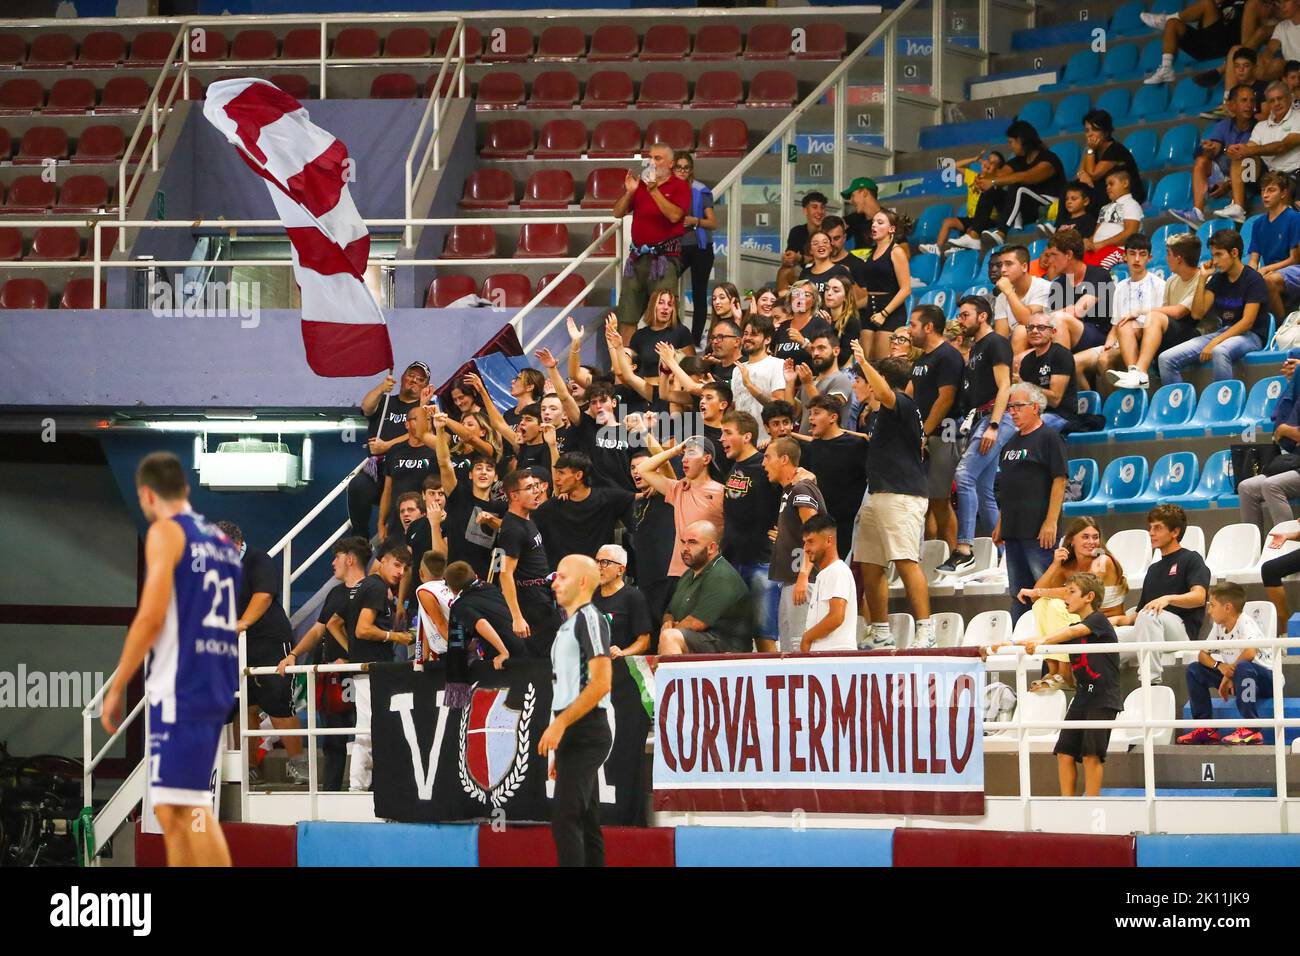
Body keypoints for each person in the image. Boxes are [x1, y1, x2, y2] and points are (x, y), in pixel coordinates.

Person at [101, 452, 242, 866]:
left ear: (146, 495)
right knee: (175, 809)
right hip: (212, 682)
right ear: (186, 490)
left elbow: (149, 617)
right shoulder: (222, 545)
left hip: (181, 687)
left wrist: (117, 686)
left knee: (186, 810)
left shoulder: (167, 532)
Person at [997, 573, 1121, 797]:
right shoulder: (1074, 625)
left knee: (1092, 755)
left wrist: (1041, 641)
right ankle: (1067, 805)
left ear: (1089, 597)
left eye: (1071, 592)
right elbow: (1055, 635)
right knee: (1065, 752)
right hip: (1083, 696)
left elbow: (1072, 632)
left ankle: (1092, 804)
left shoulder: (1097, 621)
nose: (1066, 596)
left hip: (1103, 696)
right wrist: (1008, 644)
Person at [850, 347, 934, 649]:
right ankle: (881, 630)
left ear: (878, 380)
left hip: (902, 494)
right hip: (879, 494)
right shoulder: (876, 415)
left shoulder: (902, 403)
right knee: (870, 564)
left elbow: (886, 393)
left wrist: (862, 360)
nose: (855, 384)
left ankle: (927, 629)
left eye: (859, 379)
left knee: (906, 561)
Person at [214, 521, 305, 783]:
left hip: (269, 640)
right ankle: (249, 766)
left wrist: (242, 623)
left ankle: (298, 765)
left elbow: (263, 596)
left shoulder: (258, 559)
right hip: (236, 645)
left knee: (279, 704)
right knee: (245, 705)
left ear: (236, 544)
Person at [539, 554, 614, 868]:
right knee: (584, 818)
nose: (554, 582)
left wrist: (560, 726)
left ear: (584, 582)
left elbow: (601, 683)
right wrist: (561, 736)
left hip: (588, 728)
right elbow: (566, 687)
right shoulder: (568, 625)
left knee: (565, 817)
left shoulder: (590, 618)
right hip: (573, 731)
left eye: (563, 576)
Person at [279, 536, 369, 792]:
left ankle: (368, 792)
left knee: (368, 735)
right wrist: (294, 654)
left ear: (349, 559)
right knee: (332, 740)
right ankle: (330, 792)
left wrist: (351, 659)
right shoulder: (335, 592)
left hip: (360, 677)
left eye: (336, 557)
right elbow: (318, 631)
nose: (332, 563)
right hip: (330, 675)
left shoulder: (372, 589)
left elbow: (372, 634)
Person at [937, 295, 1014, 575]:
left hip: (995, 417)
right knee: (983, 490)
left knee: (964, 476)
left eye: (966, 315)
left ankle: (964, 549)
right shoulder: (976, 347)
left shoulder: (996, 342)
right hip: (979, 418)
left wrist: (993, 425)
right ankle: (1007, 553)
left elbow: (1005, 386)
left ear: (983, 316)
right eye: (960, 315)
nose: (961, 320)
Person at [1017, 516, 1130, 693]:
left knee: (1056, 605)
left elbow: (1079, 593)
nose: (1092, 542)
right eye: (1085, 537)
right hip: (1082, 620)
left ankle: (1065, 672)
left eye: (1095, 537)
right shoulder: (1068, 565)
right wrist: (1055, 565)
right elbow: (1035, 598)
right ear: (1071, 540)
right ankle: (1053, 669)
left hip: (1103, 623)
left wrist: (1036, 592)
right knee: (1040, 605)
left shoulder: (1102, 561)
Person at [993, 383, 1068, 627]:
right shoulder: (1010, 444)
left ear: (1035, 408)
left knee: (1046, 592)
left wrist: (1051, 521)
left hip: (1038, 532)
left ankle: (1054, 645)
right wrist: (1001, 522)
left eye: (1018, 406)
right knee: (1019, 594)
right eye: (1009, 407)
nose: (1012, 412)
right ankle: (1021, 642)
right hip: (1013, 532)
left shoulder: (1048, 438)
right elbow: (1007, 487)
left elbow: (1059, 479)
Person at [1113, 505, 1212, 684]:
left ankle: (1151, 682)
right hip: (1150, 628)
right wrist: (1112, 622)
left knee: (1149, 615)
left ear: (1175, 531)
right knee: (1108, 637)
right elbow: (1137, 614)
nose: (1151, 532)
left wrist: (1168, 599)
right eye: (1150, 528)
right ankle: (1095, 685)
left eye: (1157, 527)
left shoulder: (1191, 559)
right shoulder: (1153, 569)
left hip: (1181, 631)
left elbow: (1199, 598)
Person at [344, 539, 413, 792]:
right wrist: (396, 636)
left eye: (404, 569)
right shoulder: (375, 588)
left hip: (369, 668)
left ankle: (365, 785)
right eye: (396, 565)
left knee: (372, 726)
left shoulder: (371, 586)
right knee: (368, 727)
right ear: (381, 561)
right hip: (368, 669)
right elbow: (363, 629)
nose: (400, 572)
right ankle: (358, 788)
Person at [1158, 228, 1268, 383]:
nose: (1215, 261)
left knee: (1219, 351)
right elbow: (1197, 313)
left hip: (1251, 335)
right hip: (1225, 332)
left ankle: (1223, 404)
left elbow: (1247, 322)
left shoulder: (1253, 279)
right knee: (1166, 359)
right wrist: (1203, 278)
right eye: (1212, 255)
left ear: (1234, 253)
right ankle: (1180, 405)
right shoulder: (1218, 279)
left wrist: (1215, 342)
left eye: (1219, 254)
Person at [719, 410, 782, 653]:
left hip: (761, 561)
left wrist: (788, 534)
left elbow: (796, 487)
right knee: (735, 635)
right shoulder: (732, 464)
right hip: (732, 561)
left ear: (747, 437)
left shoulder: (765, 464)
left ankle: (777, 687)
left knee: (764, 636)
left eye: (727, 433)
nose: (722, 438)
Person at [1180, 582, 1275, 744]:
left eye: (1213, 605)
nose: (1209, 611)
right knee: (1195, 670)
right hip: (1238, 678)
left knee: (1243, 667)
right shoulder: (1219, 627)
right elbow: (1202, 655)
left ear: (1228, 608)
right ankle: (1206, 729)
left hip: (1266, 681)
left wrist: (1229, 675)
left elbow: (1250, 653)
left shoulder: (1244, 622)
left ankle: (1252, 729)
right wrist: (1220, 667)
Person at [1106, 233, 1204, 389]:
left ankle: (1141, 372)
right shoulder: (1172, 280)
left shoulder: (1202, 279)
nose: (1166, 258)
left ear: (1178, 258)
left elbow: (1179, 312)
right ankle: (1134, 373)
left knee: (1154, 316)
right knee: (1124, 324)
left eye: (1169, 254)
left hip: (1194, 334)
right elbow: (1166, 313)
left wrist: (1141, 311)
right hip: (1172, 332)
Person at [613, 141, 689, 339]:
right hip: (637, 258)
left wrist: (654, 191)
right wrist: (630, 192)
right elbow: (617, 212)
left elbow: (674, 216)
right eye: (650, 157)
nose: (652, 162)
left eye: (658, 158)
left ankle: (661, 364)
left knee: (663, 315)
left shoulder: (680, 187)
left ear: (671, 163)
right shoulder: (640, 186)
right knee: (627, 315)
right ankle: (625, 364)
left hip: (665, 259)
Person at [764, 436, 829, 651]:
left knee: (798, 647)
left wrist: (803, 576)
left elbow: (815, 534)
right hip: (792, 581)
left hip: (803, 581)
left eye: (767, 457)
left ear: (784, 459)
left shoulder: (801, 490)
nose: (763, 463)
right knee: (789, 648)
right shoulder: (791, 491)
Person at [1074, 234, 1163, 391]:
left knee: (1104, 360)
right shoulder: (1120, 286)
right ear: (1124, 256)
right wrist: (1109, 342)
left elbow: (1157, 321)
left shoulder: (1158, 284)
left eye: (1142, 254)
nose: (1137, 259)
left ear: (1149, 258)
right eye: (1132, 254)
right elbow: (1115, 324)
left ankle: (1134, 389)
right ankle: (1111, 406)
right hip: (1120, 337)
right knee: (1075, 363)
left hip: (1143, 338)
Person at [349, 362, 428, 537]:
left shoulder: (421, 410)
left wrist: (386, 445)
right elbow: (366, 407)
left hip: (404, 470)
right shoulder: (385, 402)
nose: (414, 380)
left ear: (424, 386)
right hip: (378, 469)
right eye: (411, 375)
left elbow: (421, 433)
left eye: (420, 379)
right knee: (357, 485)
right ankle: (360, 537)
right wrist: (381, 388)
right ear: (402, 377)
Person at [908, 303, 964, 551]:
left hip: (944, 433)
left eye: (913, 325)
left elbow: (946, 398)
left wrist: (924, 432)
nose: (910, 331)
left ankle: (953, 553)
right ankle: (931, 553)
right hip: (925, 434)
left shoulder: (948, 356)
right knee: (926, 501)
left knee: (941, 500)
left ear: (929, 327)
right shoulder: (922, 358)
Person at [541, 347, 635, 491]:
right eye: (593, 402)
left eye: (603, 401)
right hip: (594, 496)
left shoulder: (628, 430)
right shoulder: (585, 424)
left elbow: (638, 465)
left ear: (614, 402)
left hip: (625, 495)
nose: (598, 406)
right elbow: (565, 398)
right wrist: (552, 369)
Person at [634, 434, 726, 582]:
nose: (684, 459)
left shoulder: (721, 492)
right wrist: (676, 450)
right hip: (679, 571)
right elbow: (643, 469)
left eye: (691, 453)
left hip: (709, 572)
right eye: (684, 454)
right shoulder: (678, 489)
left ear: (706, 459)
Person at [657, 521, 754, 654]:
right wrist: (667, 623)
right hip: (701, 641)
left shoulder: (721, 575)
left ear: (712, 548)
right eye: (683, 542)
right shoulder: (688, 574)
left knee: (670, 638)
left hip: (726, 647)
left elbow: (697, 623)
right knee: (668, 635)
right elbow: (670, 611)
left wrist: (670, 632)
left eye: (692, 542)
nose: (685, 548)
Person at [1172, 83, 1258, 226]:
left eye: (1251, 100)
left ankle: (1238, 207)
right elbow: (1216, 149)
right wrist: (1209, 149)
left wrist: (1228, 184)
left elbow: (1254, 168)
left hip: (1248, 178)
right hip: (1223, 177)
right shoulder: (1224, 125)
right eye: (1244, 100)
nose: (1249, 105)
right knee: (1201, 161)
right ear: (1232, 105)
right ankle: (1197, 213)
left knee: (1243, 158)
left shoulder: (1259, 127)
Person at [498, 468, 561, 657]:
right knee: (544, 658)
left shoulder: (527, 519)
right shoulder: (512, 529)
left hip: (543, 595)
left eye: (536, 486)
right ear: (514, 496)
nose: (537, 491)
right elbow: (504, 573)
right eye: (529, 488)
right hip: (531, 602)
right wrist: (517, 617)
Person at [1217, 81, 1300, 223]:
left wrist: (1248, 149)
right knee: (1242, 156)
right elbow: (1248, 148)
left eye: (1280, 98)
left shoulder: (1298, 117)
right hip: (1268, 175)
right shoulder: (1261, 127)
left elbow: (1282, 146)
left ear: (1289, 98)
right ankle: (1238, 207)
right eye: (1272, 100)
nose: (1277, 103)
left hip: (1294, 173)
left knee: (1285, 208)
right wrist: (1234, 150)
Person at [801, 393, 868, 559]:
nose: (811, 418)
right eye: (810, 414)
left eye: (816, 413)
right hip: (823, 525)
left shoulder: (856, 445)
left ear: (833, 417)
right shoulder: (813, 447)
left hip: (851, 525)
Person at [533, 452, 635, 561]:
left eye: (561, 473)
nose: (556, 479)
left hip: (597, 573)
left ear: (578, 475)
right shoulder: (550, 508)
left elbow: (639, 496)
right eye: (556, 473)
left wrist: (652, 489)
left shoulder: (607, 499)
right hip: (562, 574)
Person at [978, 120, 1067, 241]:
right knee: (992, 191)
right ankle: (974, 234)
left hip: (1047, 206)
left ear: (1020, 140)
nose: (1010, 146)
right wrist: (986, 173)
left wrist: (993, 181)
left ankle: (1001, 233)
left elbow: (1026, 177)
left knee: (1018, 187)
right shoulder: (1018, 160)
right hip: (1026, 209)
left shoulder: (1049, 159)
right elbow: (1000, 175)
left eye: (1011, 142)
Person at [1143, 0, 1266, 85]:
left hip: (1224, 44)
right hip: (1204, 44)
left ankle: (1164, 19)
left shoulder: (1252, 4)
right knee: (1173, 24)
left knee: (1207, 3)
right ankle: (1166, 68)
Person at [919, 150, 1006, 253]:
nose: (988, 164)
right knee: (948, 222)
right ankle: (938, 248)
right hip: (972, 218)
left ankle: (958, 249)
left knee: (971, 230)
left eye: (993, 163)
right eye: (988, 160)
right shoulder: (972, 176)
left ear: (998, 170)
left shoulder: (995, 183)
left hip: (988, 220)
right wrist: (974, 159)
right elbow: (953, 166)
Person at [627, 447, 677, 622]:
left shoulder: (669, 493)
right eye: (632, 467)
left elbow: (667, 465)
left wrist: (643, 431)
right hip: (645, 579)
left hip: (668, 579)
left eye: (641, 467)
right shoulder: (636, 502)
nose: (636, 471)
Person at [1041, 229, 1111, 353]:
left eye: (1054, 255)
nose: (1050, 261)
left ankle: (1062, 369)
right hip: (1069, 336)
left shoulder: (1099, 275)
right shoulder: (1058, 284)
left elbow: (1079, 310)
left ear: (1068, 255)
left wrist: (1052, 316)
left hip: (1100, 337)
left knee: (1059, 319)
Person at [443, 560, 519, 673]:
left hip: (504, 657)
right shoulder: (490, 587)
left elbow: (481, 623)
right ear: (475, 575)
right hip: (521, 643)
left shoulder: (460, 606)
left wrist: (503, 652)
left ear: (451, 588)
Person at [674, 151, 718, 341]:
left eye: (686, 168)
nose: (682, 171)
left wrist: (695, 221)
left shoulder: (701, 190)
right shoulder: (666, 191)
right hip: (675, 247)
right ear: (673, 169)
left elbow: (713, 223)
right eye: (679, 167)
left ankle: (695, 338)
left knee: (699, 294)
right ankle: (672, 335)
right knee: (666, 291)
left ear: (691, 170)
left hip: (701, 247)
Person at [859, 209, 914, 359]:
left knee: (882, 363)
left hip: (890, 311)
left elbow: (906, 289)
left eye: (880, 222)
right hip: (869, 309)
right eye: (873, 222)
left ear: (892, 229)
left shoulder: (896, 251)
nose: (874, 226)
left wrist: (884, 313)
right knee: (866, 362)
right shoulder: (871, 252)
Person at [799, 514, 859, 652]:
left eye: (811, 541)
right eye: (805, 542)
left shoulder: (837, 570)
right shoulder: (826, 573)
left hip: (836, 657)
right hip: (827, 658)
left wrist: (807, 638)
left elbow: (837, 616)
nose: (806, 548)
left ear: (828, 541)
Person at [1248, 170, 1300, 321]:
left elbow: (1294, 259)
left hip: (1295, 269)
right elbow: (1253, 259)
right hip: (1273, 271)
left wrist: (1265, 269)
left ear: (1283, 193)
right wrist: (1248, 275)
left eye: (1271, 190)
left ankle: (1280, 325)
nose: (1265, 195)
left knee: (1268, 281)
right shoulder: (1258, 223)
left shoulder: (1295, 218)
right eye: (1263, 190)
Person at [1017, 309, 1080, 432]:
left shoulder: (1061, 354)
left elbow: (1055, 400)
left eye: (1041, 327)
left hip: (1060, 415)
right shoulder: (1026, 361)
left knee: (1027, 427)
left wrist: (1025, 386)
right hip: (1034, 413)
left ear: (1053, 332)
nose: (1034, 331)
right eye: (1030, 327)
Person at [730, 313, 788, 444]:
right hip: (741, 443)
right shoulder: (737, 369)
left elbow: (778, 405)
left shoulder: (777, 364)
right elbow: (735, 407)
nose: (747, 338)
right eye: (745, 333)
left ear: (767, 339)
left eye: (754, 334)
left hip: (765, 442)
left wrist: (749, 385)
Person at [1075, 109, 1148, 212]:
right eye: (1087, 130)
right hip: (1108, 196)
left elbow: (1094, 174)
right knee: (1072, 189)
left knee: (1095, 190)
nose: (1090, 134)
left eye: (1095, 129)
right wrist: (1082, 174)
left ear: (1106, 132)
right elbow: (1080, 172)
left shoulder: (1116, 149)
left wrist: (1090, 149)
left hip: (1127, 195)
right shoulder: (1092, 150)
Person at [592, 544, 652, 657]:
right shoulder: (591, 598)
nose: (598, 567)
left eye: (604, 562)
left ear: (620, 569)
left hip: (621, 666)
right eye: (597, 561)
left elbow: (644, 642)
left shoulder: (633, 597)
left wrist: (622, 653)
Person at [789, 331, 856, 431]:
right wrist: (789, 382)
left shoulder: (841, 379)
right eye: (812, 349)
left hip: (828, 445)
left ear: (836, 351)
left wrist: (808, 384)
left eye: (821, 348)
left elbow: (828, 412)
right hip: (805, 443)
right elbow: (793, 414)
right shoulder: (809, 380)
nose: (815, 353)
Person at [992, 244, 1052, 348]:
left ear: (1024, 267)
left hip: (1043, 346)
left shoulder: (1043, 287)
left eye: (1008, 264)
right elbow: (1001, 339)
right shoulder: (1002, 297)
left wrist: (1010, 293)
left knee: (1021, 331)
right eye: (1001, 265)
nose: (1002, 270)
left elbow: (1028, 322)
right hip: (1015, 347)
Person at [1083, 169, 1143, 268]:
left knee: (1092, 271)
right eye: (1106, 185)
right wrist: (1088, 243)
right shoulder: (1105, 208)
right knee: (1075, 268)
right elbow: (1095, 234)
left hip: (1117, 250)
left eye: (1111, 184)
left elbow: (1131, 233)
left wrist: (1102, 244)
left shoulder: (1131, 204)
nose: (1108, 188)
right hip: (1097, 249)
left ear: (1125, 183)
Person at [771, 280, 836, 369]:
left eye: (806, 295)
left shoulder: (821, 324)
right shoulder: (783, 327)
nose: (800, 298)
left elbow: (828, 357)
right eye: (796, 294)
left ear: (814, 300)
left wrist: (803, 342)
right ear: (790, 299)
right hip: (783, 380)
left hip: (811, 379)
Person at [415, 548, 453, 660]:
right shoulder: (449, 588)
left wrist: (461, 651)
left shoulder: (424, 590)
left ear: (420, 573)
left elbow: (441, 624)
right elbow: (427, 623)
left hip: (451, 650)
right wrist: (423, 657)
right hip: (456, 645)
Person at [841, 176, 882, 248]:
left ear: (864, 192)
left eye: (853, 195)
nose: (851, 201)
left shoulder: (890, 219)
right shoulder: (854, 219)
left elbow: (904, 250)